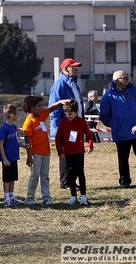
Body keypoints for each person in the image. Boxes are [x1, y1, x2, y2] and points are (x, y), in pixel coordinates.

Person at [22, 96, 70, 205]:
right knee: (34, 176)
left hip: (46, 153)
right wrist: (29, 156)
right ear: (31, 107)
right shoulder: (28, 123)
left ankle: (46, 198)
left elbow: (51, 108)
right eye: (39, 106)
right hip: (36, 155)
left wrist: (60, 102)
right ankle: (29, 199)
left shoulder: (40, 116)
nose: (41, 108)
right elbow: (27, 142)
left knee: (45, 176)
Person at [100, 70, 136, 188]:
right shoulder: (109, 96)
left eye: (127, 76)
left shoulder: (134, 90)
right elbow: (104, 115)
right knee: (123, 158)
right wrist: (115, 125)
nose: (127, 78)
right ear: (117, 81)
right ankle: (125, 181)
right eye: (124, 77)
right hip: (122, 132)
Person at [49, 58, 84, 190]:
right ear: (65, 69)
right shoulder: (60, 84)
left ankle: (72, 181)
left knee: (74, 152)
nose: (76, 69)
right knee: (66, 154)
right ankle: (66, 183)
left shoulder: (73, 83)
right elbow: (54, 109)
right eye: (73, 67)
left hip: (75, 126)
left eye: (76, 66)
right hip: (65, 127)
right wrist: (58, 129)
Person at [55, 100, 94, 205]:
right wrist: (60, 152)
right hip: (68, 153)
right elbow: (58, 138)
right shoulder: (63, 123)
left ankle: (83, 196)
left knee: (80, 173)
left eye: (71, 114)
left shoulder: (81, 122)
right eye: (66, 114)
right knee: (70, 175)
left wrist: (90, 145)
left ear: (76, 112)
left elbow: (89, 135)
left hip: (79, 153)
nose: (69, 116)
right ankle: (73, 196)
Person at [0, 104, 28, 208]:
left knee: (12, 178)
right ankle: (6, 199)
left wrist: (23, 146)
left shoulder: (14, 127)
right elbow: (1, 144)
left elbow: (15, 141)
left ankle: (11, 197)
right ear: (11, 115)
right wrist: (5, 159)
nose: (18, 115)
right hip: (7, 159)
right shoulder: (4, 128)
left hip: (14, 157)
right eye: (17, 113)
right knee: (6, 179)